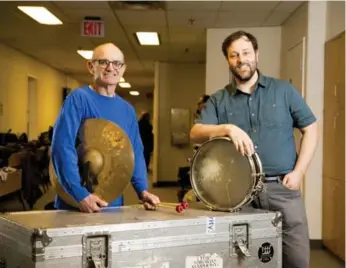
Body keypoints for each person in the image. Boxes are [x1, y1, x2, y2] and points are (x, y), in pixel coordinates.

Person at [190, 31, 318, 268]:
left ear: (256, 55)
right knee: (243, 261)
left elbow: (311, 128)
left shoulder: (284, 91)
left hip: (283, 189)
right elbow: (195, 133)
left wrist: (300, 172)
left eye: (246, 53)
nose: (241, 59)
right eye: (234, 55)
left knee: (297, 260)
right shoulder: (219, 99)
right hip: (237, 194)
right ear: (228, 61)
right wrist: (227, 128)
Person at [51, 43, 161, 213]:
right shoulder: (78, 99)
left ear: (123, 69)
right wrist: (80, 195)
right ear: (90, 66)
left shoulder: (127, 110)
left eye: (117, 63)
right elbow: (62, 147)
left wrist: (142, 190)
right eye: (103, 62)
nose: (111, 68)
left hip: (111, 201)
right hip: (75, 203)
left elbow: (135, 152)